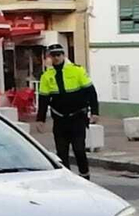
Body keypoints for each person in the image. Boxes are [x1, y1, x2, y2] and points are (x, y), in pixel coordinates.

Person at [35, 44, 98, 177]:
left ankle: (85, 176)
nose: (56, 58)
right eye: (53, 56)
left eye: (59, 55)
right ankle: (67, 179)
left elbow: (91, 92)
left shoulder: (77, 70)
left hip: (77, 117)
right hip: (59, 119)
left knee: (79, 149)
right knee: (61, 153)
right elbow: (43, 99)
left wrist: (94, 112)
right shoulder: (47, 76)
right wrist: (40, 119)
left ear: (64, 55)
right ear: (50, 57)